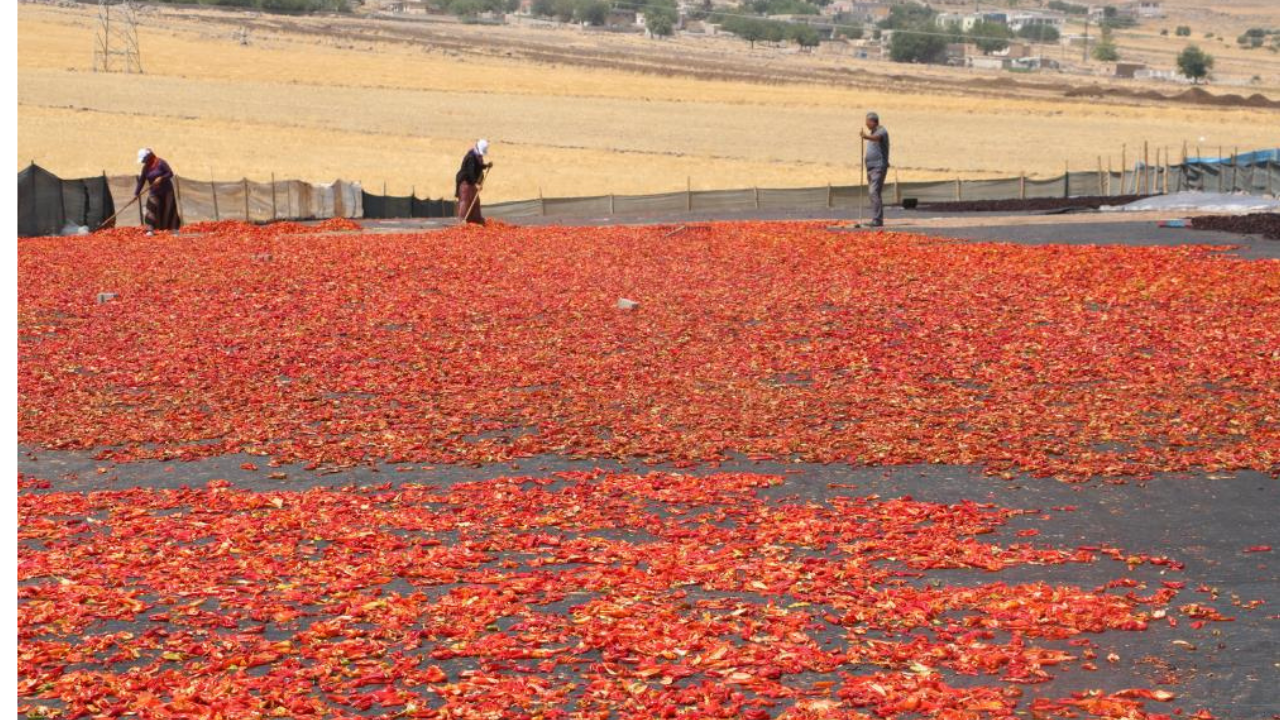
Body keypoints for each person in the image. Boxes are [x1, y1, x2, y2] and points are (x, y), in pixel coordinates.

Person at [134, 148, 181, 234]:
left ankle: (174, 229)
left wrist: (161, 178)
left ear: (148, 157)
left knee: (170, 208)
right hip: (154, 192)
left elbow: (170, 173)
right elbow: (141, 181)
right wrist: (136, 193)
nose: (143, 162)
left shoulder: (160, 163)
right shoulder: (145, 168)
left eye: (144, 159)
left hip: (167, 190)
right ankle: (150, 230)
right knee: (151, 208)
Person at [859, 112, 890, 228]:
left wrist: (866, 137)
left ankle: (877, 220)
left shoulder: (882, 131)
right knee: (874, 193)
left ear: (873, 121)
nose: (866, 124)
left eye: (867, 122)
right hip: (871, 167)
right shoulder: (873, 132)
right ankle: (877, 218)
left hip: (878, 166)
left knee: (874, 191)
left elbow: (877, 138)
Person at [455, 139, 492, 225]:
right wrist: (476, 184)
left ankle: (476, 219)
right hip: (466, 181)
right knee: (465, 200)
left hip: (472, 181)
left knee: (475, 200)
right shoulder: (471, 157)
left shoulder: (476, 156)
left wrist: (486, 166)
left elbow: (478, 166)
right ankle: (462, 220)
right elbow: (470, 172)